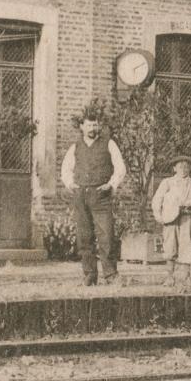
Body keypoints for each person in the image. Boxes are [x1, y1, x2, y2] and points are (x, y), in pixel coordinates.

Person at [60, 110, 127, 286]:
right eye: (89, 124)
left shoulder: (109, 144)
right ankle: (89, 274)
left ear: (100, 126)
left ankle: (111, 274)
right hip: (81, 195)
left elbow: (120, 168)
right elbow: (65, 169)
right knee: (84, 236)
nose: (93, 127)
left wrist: (111, 185)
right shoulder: (75, 147)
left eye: (96, 124)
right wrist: (70, 184)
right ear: (82, 127)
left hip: (101, 195)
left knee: (106, 235)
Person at [152, 155, 191, 285]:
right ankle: (170, 277)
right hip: (170, 218)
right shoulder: (167, 182)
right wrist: (158, 215)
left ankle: (186, 277)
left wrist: (190, 204)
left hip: (186, 217)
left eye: (186, 166)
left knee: (186, 245)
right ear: (174, 168)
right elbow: (157, 199)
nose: (183, 169)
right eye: (180, 166)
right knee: (170, 245)